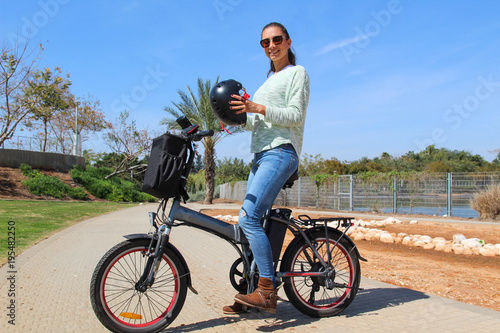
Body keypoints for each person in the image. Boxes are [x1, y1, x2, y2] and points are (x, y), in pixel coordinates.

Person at [223, 22, 310, 314]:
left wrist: (257, 107)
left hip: (282, 151)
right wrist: (235, 119)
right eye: (264, 43)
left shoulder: (297, 73)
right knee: (250, 224)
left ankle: (266, 291)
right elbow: (257, 123)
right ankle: (250, 293)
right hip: (261, 155)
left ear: (287, 41)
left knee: (248, 219)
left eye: (276, 40)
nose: (271, 46)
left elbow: (295, 115)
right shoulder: (265, 82)